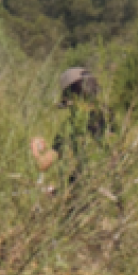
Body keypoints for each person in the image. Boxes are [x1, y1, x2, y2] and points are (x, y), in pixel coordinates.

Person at [31, 67, 115, 197]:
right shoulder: (110, 116)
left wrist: (36, 149)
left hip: (86, 197)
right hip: (114, 190)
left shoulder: (71, 126)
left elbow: (43, 164)